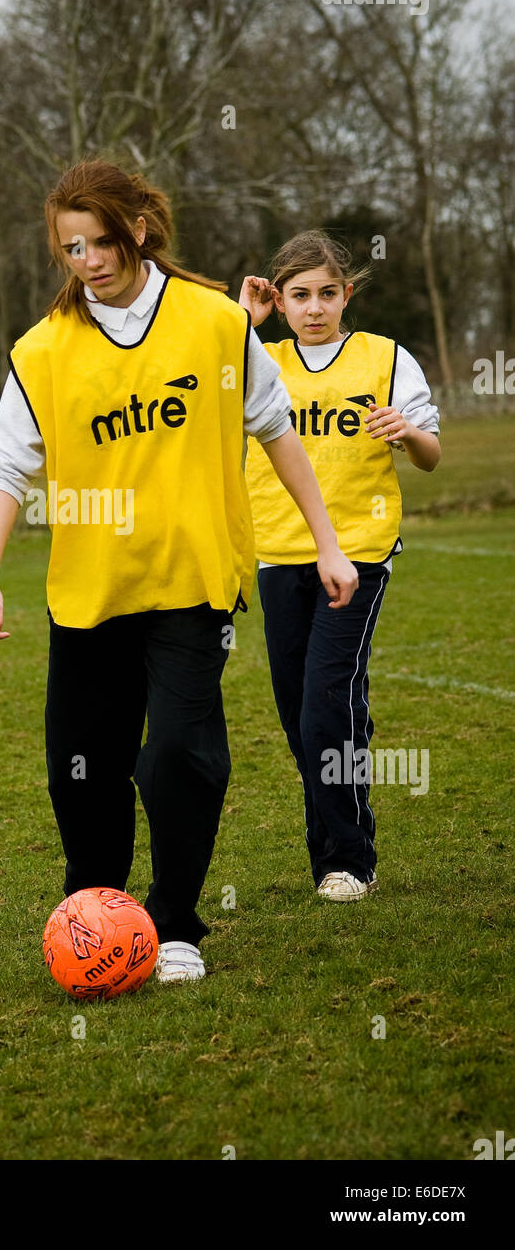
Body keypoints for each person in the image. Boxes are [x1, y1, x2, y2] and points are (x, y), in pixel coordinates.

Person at [0, 161, 358, 983]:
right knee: (81, 767)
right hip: (90, 594)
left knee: (179, 755)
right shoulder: (41, 350)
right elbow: (7, 466)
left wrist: (326, 543)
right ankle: (95, 915)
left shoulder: (216, 324)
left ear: (138, 230)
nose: (89, 260)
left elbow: (276, 431)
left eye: (102, 240)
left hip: (191, 583)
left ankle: (176, 921)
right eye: (71, 247)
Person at [240, 230, 440, 902]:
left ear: (347, 293)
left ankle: (351, 859)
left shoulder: (385, 359)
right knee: (301, 713)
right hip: (276, 553)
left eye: (328, 292)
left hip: (357, 553)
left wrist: (406, 433)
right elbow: (192, 378)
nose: (316, 306)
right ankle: (325, 854)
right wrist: (243, 322)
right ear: (280, 299)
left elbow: (432, 454)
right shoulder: (255, 361)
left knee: (327, 706)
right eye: (299, 295)